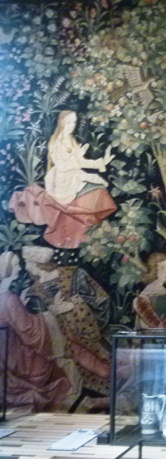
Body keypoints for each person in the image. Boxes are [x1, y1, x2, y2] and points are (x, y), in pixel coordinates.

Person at [10, 110, 117, 249]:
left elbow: (81, 162)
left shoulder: (71, 140)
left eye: (74, 122)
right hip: (61, 180)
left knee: (98, 186)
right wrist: (79, 161)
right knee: (96, 183)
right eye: (68, 122)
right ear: (61, 123)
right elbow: (62, 166)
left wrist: (101, 162)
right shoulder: (56, 142)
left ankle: (91, 225)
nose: (71, 126)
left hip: (73, 175)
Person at [22, 245, 111, 410]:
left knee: (104, 366)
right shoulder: (34, 291)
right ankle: (91, 401)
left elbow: (100, 299)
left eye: (29, 263)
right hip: (62, 340)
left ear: (38, 263)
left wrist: (72, 306)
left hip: (88, 332)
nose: (27, 267)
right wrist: (53, 313)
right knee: (81, 370)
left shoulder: (74, 274)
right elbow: (39, 319)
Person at [0, 251, 77, 411]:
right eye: (15, 265)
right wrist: (48, 316)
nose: (19, 268)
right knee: (62, 371)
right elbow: (30, 332)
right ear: (6, 269)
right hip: (22, 360)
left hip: (8, 357)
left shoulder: (5, 296)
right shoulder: (9, 298)